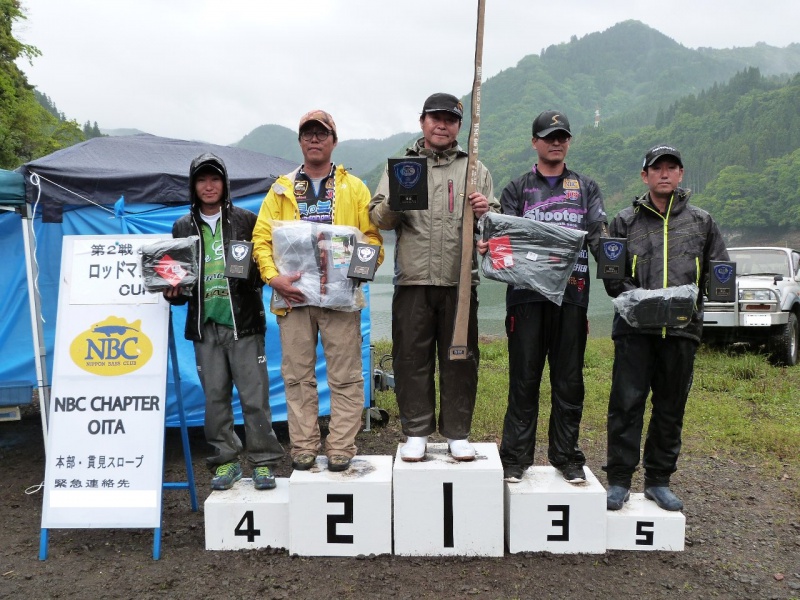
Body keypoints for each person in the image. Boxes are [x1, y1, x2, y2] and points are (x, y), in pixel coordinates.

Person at [478, 110, 608, 484]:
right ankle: (515, 458)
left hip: (574, 295)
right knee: (524, 378)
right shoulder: (517, 189)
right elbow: (503, 241)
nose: (556, 142)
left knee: (568, 380)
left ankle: (566, 457)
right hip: (526, 297)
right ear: (534, 142)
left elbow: (599, 237)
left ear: (568, 142)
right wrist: (489, 249)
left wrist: (621, 273)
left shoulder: (585, 187)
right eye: (549, 136)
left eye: (562, 136)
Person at [252, 110, 383, 473]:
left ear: (333, 141)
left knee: (345, 375)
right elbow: (261, 239)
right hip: (293, 298)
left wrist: (359, 272)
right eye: (308, 134)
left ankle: (341, 445)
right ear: (300, 141)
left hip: (340, 299)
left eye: (321, 134)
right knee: (296, 376)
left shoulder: (353, 187)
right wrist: (272, 277)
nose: (314, 139)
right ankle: (304, 446)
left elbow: (371, 238)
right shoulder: (280, 188)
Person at [370, 92, 497, 462]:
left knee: (460, 358)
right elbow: (378, 217)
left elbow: (495, 223)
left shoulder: (475, 169)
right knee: (411, 359)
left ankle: (458, 433)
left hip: (459, 282)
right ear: (422, 121)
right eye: (435, 118)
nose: (442, 124)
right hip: (413, 279)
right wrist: (397, 198)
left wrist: (486, 209)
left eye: (450, 119)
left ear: (459, 126)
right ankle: (417, 432)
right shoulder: (402, 166)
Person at [603, 144, 728, 511]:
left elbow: (719, 272)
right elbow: (613, 277)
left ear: (681, 175)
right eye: (657, 168)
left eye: (672, 168)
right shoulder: (624, 221)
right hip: (633, 332)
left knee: (671, 407)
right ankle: (620, 480)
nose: (665, 174)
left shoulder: (703, 223)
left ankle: (659, 481)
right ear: (645, 176)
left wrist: (702, 300)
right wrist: (646, 306)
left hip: (682, 332)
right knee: (626, 405)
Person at [165, 153, 284, 491]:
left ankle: (263, 462)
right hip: (205, 327)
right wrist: (173, 292)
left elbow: (265, 270)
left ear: (225, 183)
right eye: (201, 180)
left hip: (244, 323)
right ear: (193, 186)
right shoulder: (182, 227)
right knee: (214, 398)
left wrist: (251, 275)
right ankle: (226, 461)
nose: (208, 185)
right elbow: (182, 280)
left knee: (254, 397)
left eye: (214, 179)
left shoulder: (247, 220)